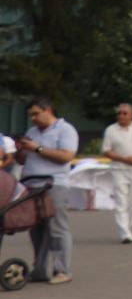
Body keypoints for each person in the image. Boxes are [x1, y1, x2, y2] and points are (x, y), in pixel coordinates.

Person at [16, 97, 77, 283]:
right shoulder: (32, 131)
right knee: (36, 230)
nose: (33, 118)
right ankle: (40, 269)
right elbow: (22, 160)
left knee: (57, 227)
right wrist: (21, 149)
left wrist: (38, 148)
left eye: (36, 114)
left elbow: (66, 156)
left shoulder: (65, 129)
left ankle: (62, 270)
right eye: (30, 115)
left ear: (48, 110)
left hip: (54, 184)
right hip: (31, 184)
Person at [102, 102, 132, 245]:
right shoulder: (111, 130)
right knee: (121, 200)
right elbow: (106, 151)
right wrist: (124, 158)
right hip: (119, 169)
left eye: (125, 113)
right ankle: (124, 233)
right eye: (119, 113)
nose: (121, 116)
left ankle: (128, 228)